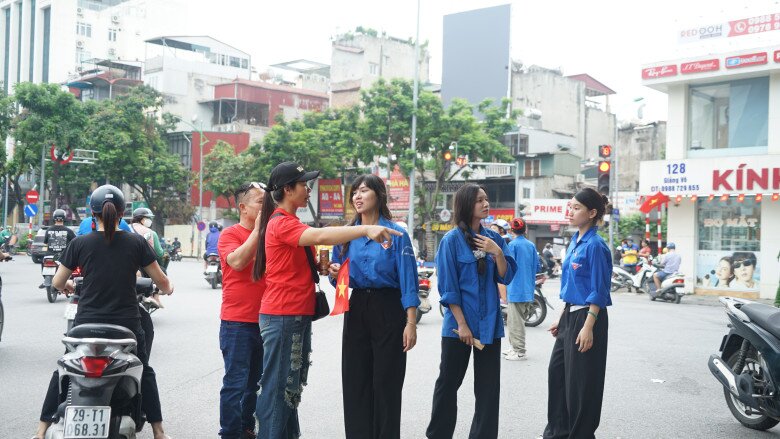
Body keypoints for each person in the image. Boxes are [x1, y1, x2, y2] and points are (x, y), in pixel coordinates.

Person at [251, 162, 401, 439]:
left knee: (290, 389)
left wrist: (326, 270)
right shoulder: (281, 222)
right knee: (278, 390)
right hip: (283, 316)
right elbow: (320, 235)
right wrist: (364, 230)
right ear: (287, 189)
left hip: (295, 315)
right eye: (303, 184)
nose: (308, 189)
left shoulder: (290, 222)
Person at [33, 185, 173, 439]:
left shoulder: (80, 243)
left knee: (63, 368)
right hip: (127, 326)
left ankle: (41, 431)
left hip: (86, 324)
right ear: (122, 212)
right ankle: (159, 431)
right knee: (145, 369)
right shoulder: (136, 242)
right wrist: (168, 288)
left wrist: (69, 285)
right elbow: (162, 281)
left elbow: (56, 282)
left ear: (92, 213)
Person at [327, 174, 420, 439]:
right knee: (355, 378)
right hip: (357, 308)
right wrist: (335, 274)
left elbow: (408, 280)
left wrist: (410, 323)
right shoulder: (346, 235)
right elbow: (342, 281)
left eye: (363, 191)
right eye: (354, 191)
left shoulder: (396, 233)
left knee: (386, 382)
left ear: (378, 195)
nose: (357, 196)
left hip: (389, 307)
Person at [425, 183, 516, 439]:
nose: (486, 204)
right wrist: (462, 324)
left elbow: (506, 276)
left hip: (489, 326)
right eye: (480, 200)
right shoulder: (451, 241)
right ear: (466, 205)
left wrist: (497, 252)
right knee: (448, 384)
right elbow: (449, 288)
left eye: (486, 199)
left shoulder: (495, 239)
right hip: (457, 327)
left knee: (488, 389)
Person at [543, 187, 612, 439]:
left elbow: (599, 289)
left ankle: (581, 434)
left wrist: (588, 326)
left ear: (592, 213)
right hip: (570, 315)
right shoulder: (575, 241)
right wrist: (561, 318)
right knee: (558, 375)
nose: (569, 211)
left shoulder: (595, 245)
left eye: (576, 208)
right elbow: (569, 287)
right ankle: (557, 432)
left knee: (581, 384)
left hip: (588, 318)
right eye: (569, 206)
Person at [218, 182, 267, 439]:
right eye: (260, 202)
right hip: (236, 322)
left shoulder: (269, 235)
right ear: (242, 207)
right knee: (235, 384)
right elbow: (237, 261)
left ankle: (247, 429)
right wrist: (258, 231)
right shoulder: (230, 235)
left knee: (255, 385)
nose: (265, 206)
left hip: (267, 321)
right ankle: (229, 433)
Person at [503, 217, 539, 361]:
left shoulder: (512, 246)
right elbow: (536, 267)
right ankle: (513, 348)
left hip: (515, 289)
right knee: (515, 320)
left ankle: (519, 351)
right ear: (525, 230)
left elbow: (508, 267)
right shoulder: (531, 245)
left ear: (512, 230)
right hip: (527, 288)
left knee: (515, 322)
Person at [131, 208, 167, 307]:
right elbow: (159, 254)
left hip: (128, 265)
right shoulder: (151, 233)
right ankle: (155, 296)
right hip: (144, 266)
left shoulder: (127, 229)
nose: (150, 221)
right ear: (142, 219)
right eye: (148, 218)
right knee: (161, 271)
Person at [39, 209, 76, 288]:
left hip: (50, 255)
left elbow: (45, 243)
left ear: (54, 218)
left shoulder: (48, 230)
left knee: (43, 261)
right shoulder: (68, 231)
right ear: (64, 218)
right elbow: (75, 242)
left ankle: (45, 280)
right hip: (63, 256)